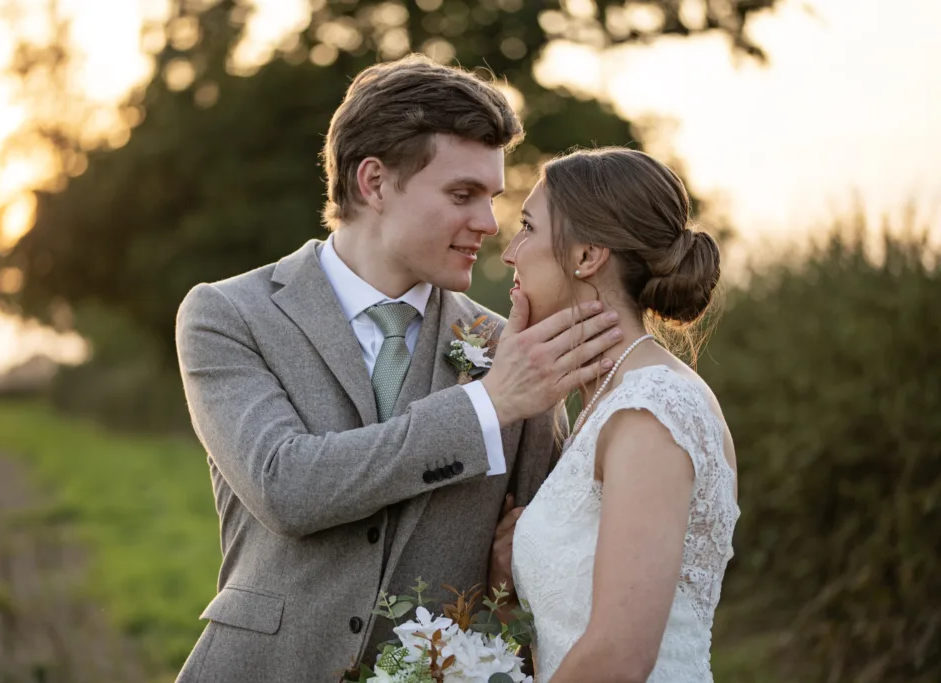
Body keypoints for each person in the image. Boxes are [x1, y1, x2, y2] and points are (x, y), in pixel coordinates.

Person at [173, 55, 622, 682]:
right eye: (462, 195)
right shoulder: (229, 316)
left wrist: (515, 563)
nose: (489, 225)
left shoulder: (511, 349)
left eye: (492, 198)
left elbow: (544, 555)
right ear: (374, 183)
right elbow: (286, 487)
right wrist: (484, 407)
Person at [503, 148, 740, 683]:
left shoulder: (650, 410)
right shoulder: (604, 402)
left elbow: (619, 657)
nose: (509, 253)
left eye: (526, 227)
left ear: (586, 255)